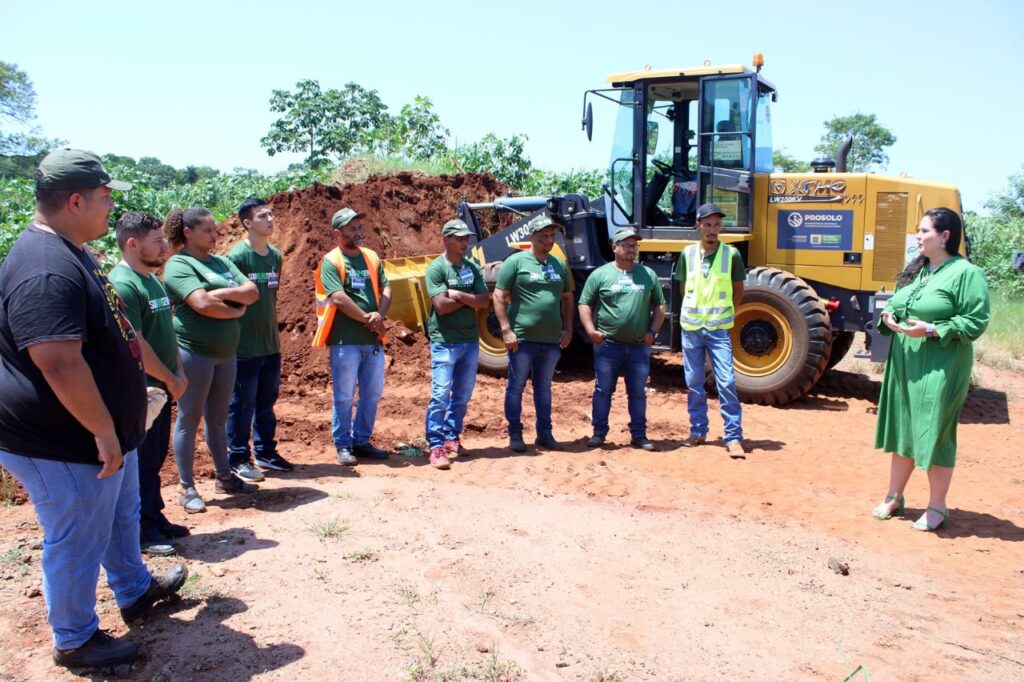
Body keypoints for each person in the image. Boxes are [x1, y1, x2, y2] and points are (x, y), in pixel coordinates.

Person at [0, 149, 186, 668]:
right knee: (78, 534)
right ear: (75, 200)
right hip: (61, 438)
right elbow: (58, 363)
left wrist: (158, 379)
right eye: (104, 197)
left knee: (118, 516)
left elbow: (121, 333)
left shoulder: (75, 251)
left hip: (99, 431)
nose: (110, 206)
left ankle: (132, 588)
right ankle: (76, 639)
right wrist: (104, 431)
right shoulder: (45, 268)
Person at [872, 207, 990, 531]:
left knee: (934, 429)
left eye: (924, 231)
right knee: (904, 427)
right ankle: (894, 496)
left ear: (945, 236)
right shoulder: (921, 271)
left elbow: (975, 321)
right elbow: (897, 303)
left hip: (941, 364)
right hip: (906, 361)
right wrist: (889, 317)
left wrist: (930, 329)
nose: (918, 236)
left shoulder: (967, 274)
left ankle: (937, 507)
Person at [163, 207, 260, 513]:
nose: (215, 234)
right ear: (188, 233)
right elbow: (201, 303)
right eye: (207, 230)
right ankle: (187, 487)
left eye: (215, 229)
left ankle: (224, 476)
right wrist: (234, 309)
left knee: (218, 419)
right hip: (195, 352)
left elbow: (252, 291)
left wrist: (223, 294)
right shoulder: (179, 264)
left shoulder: (222, 261)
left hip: (226, 353)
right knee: (189, 418)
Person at [108, 211, 190, 557]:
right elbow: (137, 342)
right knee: (140, 463)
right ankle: (143, 532)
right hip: (142, 390)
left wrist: (178, 373)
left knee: (154, 458)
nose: (164, 246)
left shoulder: (151, 278)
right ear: (132, 244)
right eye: (157, 241)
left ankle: (155, 517)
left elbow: (165, 332)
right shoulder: (123, 284)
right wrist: (171, 377)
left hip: (163, 386)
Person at [313, 207, 392, 465]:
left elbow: (387, 287)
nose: (359, 232)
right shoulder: (331, 261)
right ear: (338, 233)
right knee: (344, 395)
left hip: (372, 340)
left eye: (359, 227)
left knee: (372, 393)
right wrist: (368, 319)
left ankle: (361, 440)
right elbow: (338, 297)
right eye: (352, 228)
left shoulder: (370, 257)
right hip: (345, 341)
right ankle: (343, 444)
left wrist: (379, 314)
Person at [579, 227, 666, 450]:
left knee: (637, 392)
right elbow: (584, 304)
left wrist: (653, 332)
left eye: (634, 245)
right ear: (614, 247)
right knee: (603, 390)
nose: (631, 249)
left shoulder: (648, 274)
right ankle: (599, 433)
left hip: (638, 347)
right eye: (626, 245)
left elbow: (660, 305)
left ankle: (639, 434)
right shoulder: (600, 274)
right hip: (608, 346)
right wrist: (590, 331)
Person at [493, 213, 574, 452]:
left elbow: (568, 298)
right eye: (544, 236)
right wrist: (506, 329)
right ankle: (515, 434)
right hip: (522, 340)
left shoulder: (557, 264)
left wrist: (568, 328)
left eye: (552, 236)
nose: (549, 241)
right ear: (532, 237)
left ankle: (545, 434)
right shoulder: (516, 262)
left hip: (550, 341)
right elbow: (498, 295)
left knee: (544, 388)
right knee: (516, 386)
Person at [673, 202, 747, 457]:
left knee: (726, 381)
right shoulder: (687, 254)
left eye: (716, 225)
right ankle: (698, 431)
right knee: (693, 381)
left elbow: (739, 291)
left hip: (718, 329)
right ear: (698, 226)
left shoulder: (732, 255)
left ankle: (733, 436)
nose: (712, 229)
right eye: (708, 224)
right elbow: (684, 289)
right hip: (692, 327)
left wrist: (724, 312)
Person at [226, 198, 292, 481]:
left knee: (267, 401)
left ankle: (266, 452)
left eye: (271, 214)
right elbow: (231, 300)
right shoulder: (236, 258)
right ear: (247, 223)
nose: (270, 219)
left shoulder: (275, 255)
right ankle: (238, 458)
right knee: (241, 404)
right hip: (244, 346)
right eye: (262, 216)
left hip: (270, 344)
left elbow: (271, 298)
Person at [423, 219, 490, 469]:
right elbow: (441, 307)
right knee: (440, 394)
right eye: (460, 239)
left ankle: (452, 437)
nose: (465, 243)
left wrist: (460, 295)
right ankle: (436, 444)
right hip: (445, 341)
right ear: (446, 240)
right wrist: (471, 299)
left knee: (462, 395)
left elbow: (484, 301)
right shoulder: (437, 269)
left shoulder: (471, 267)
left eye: (466, 239)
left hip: (469, 341)